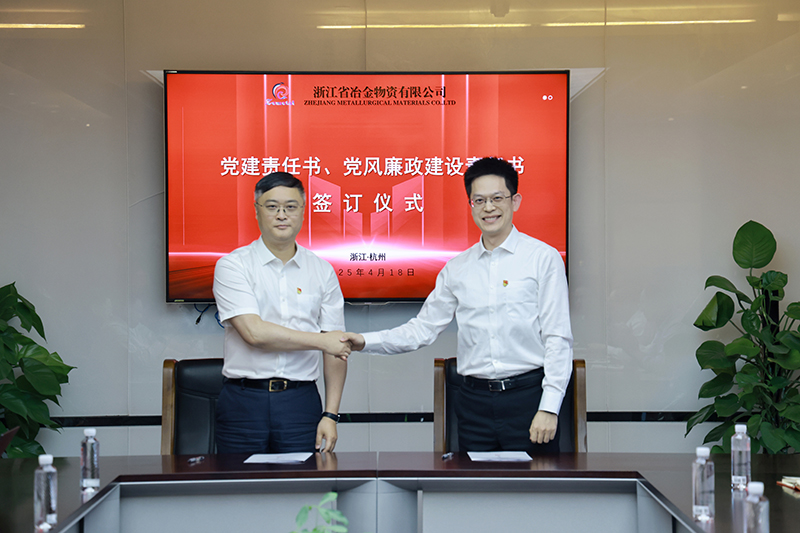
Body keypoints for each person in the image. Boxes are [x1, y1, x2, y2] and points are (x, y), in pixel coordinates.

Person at [344, 157, 573, 453]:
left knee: (535, 482)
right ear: (471, 205)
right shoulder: (457, 268)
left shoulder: (543, 258)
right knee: (471, 483)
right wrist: (364, 341)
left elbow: (558, 338)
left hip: (528, 401)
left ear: (515, 201)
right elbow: (422, 329)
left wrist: (549, 407)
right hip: (473, 405)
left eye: (497, 198)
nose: (488, 208)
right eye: (479, 200)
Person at [213, 172, 350, 454]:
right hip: (243, 402)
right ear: (257, 211)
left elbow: (336, 349)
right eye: (272, 206)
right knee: (237, 481)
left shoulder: (322, 270)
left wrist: (331, 414)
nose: (281, 215)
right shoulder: (232, 266)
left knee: (302, 482)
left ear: (303, 211)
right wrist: (321, 341)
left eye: (290, 207)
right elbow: (254, 333)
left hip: (300, 403)